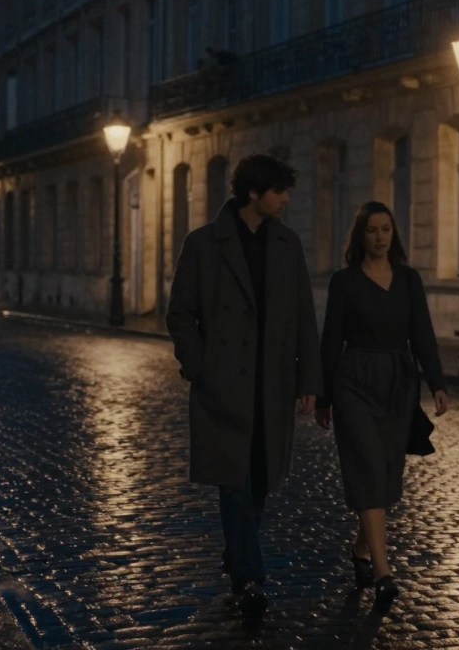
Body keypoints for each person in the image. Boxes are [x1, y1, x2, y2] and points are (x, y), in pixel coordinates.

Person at [166, 154, 323, 622]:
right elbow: (180, 313)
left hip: (271, 382)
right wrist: (199, 366)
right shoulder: (203, 243)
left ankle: (238, 556)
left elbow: (303, 316)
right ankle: (250, 578)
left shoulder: (287, 243)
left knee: (260, 476)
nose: (286, 199)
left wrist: (308, 380)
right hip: (223, 384)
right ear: (254, 193)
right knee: (233, 479)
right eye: (279, 191)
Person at [315, 200, 450, 606]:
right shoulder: (345, 282)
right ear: (361, 235)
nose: (380, 237)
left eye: (386, 229)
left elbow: (422, 334)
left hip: (398, 384)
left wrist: (437, 384)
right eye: (372, 230)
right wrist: (323, 396)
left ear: (394, 233)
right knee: (369, 467)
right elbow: (331, 340)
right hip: (354, 382)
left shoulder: (408, 280)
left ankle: (361, 549)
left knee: (387, 477)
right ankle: (383, 573)